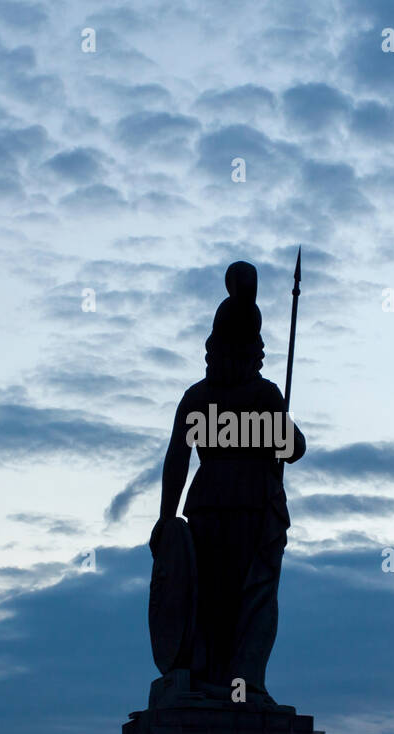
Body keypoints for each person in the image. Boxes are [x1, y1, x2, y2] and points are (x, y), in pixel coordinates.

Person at [150, 261, 305, 704]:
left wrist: (166, 517)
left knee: (212, 599)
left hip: (207, 506)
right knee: (248, 600)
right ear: (252, 346)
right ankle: (240, 683)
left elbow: (177, 460)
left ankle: (213, 678)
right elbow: (294, 448)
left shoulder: (198, 398)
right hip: (251, 508)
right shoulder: (263, 395)